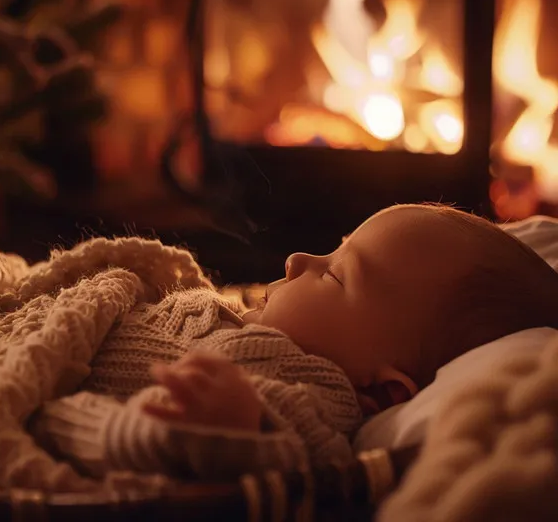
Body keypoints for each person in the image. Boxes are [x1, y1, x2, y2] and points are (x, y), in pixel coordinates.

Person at [30, 204, 558, 480]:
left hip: (20, 372)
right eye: (334, 249)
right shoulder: (248, 318)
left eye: (334, 276)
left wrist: (236, 428)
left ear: (387, 392)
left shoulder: (311, 389)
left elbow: (292, 451)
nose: (298, 261)